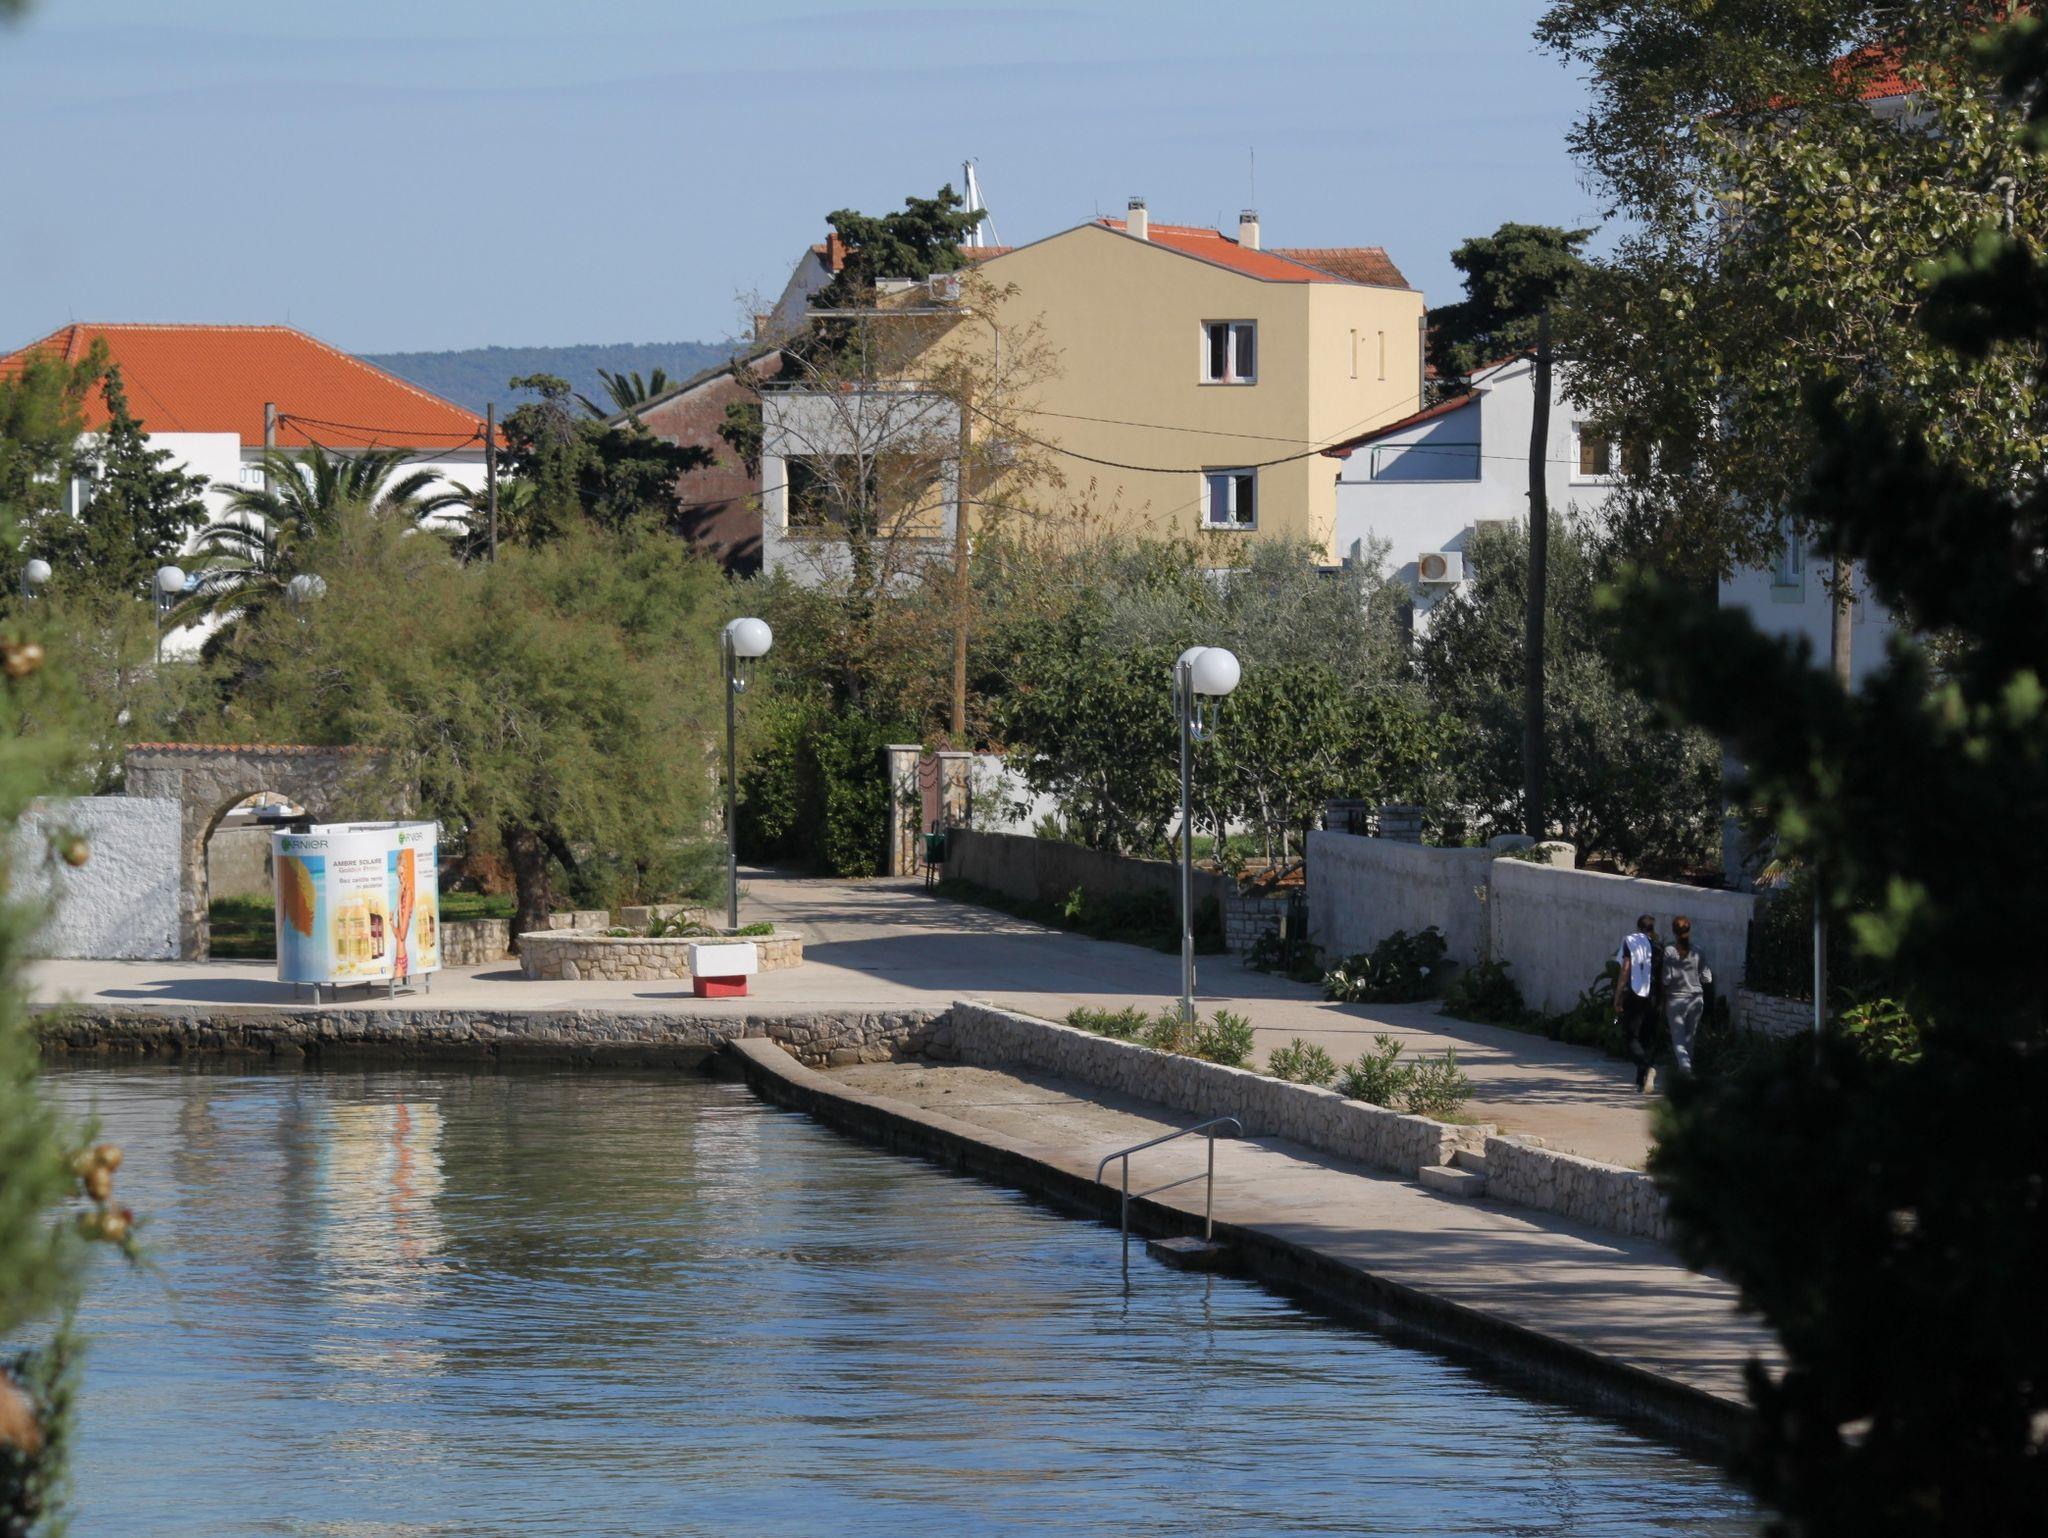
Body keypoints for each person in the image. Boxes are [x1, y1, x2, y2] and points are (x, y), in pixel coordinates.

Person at [1661, 915, 1713, 1079]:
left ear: (1673, 931)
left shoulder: (1670, 952)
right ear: (1689, 930)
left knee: (1678, 1041)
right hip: (1696, 999)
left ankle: (1685, 1071)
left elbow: (1666, 979)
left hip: (1676, 999)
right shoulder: (1698, 951)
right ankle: (1686, 1076)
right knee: (1690, 1038)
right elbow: (1707, 978)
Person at [1613, 913, 1661, 1091]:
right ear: (1652, 929)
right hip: (1653, 996)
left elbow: (1625, 968)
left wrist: (1618, 995)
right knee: (1646, 1038)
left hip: (1635, 995)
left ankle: (1648, 1066)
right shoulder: (1657, 946)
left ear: (1638, 927)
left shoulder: (1631, 941)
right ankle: (1641, 1081)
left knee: (1630, 1037)